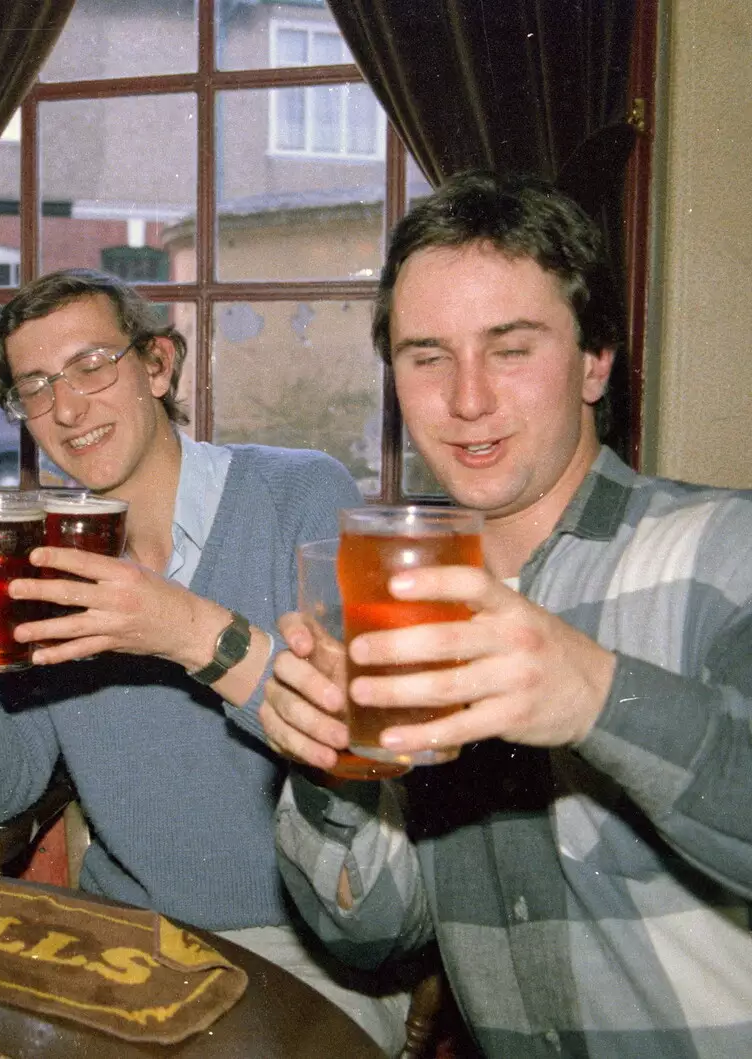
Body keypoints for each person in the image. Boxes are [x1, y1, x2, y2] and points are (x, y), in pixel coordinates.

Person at [265, 171, 752, 1056]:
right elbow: (370, 935)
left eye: (512, 347)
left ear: (596, 360)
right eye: (427, 356)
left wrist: (599, 696)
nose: (468, 399)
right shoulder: (398, 601)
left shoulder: (726, 554)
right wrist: (330, 767)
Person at [0, 268, 410, 1053]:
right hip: (118, 940)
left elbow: (357, 736)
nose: (67, 407)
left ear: (158, 365)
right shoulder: (47, 558)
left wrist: (180, 628)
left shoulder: (297, 494)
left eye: (91, 365)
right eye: (35, 385)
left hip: (302, 947)